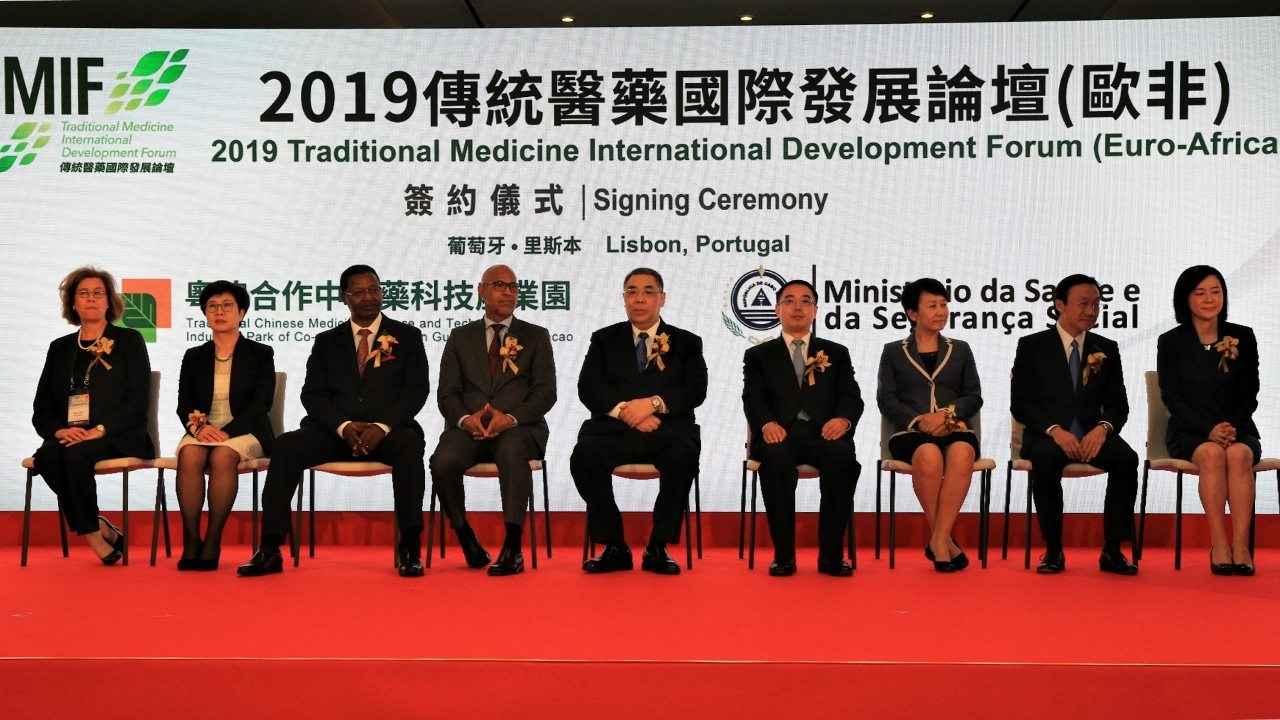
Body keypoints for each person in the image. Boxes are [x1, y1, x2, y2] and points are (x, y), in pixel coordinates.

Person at [238, 265, 430, 577]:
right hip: (335, 433)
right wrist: (343, 426)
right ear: (344, 298)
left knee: (410, 445)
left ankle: (409, 547)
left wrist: (380, 427)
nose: (369, 297)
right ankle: (270, 547)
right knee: (287, 446)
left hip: (387, 434)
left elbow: (416, 391)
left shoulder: (407, 336)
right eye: (360, 292)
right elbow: (312, 394)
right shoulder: (327, 341)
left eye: (374, 289)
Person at [571, 268, 707, 574]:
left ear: (662, 298)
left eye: (648, 291)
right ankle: (613, 544)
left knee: (684, 454)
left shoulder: (686, 342)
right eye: (632, 292)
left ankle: (658, 546)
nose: (640, 299)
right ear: (624, 298)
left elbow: (695, 390)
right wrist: (626, 412)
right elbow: (588, 388)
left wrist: (653, 404)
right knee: (585, 454)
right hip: (614, 432)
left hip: (667, 432)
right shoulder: (604, 339)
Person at [429, 264, 557, 576]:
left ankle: (513, 547)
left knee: (512, 450)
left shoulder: (536, 336)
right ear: (482, 291)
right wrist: (465, 420)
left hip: (519, 429)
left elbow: (545, 394)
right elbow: (447, 394)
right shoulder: (460, 337)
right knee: (442, 461)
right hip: (468, 429)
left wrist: (510, 418)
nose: (508, 292)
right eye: (500, 285)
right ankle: (465, 536)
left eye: (513, 286)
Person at [1011, 274, 1140, 575]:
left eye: (1096, 305)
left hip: (1092, 434)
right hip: (1049, 435)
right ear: (1060, 305)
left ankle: (1112, 549)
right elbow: (1021, 403)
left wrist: (1103, 428)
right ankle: (1053, 549)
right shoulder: (1032, 346)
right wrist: (1055, 431)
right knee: (1045, 459)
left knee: (1127, 459)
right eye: (1083, 304)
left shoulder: (1106, 348)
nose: (1091, 311)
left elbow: (1119, 404)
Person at [31, 267, 153, 565]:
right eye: (83, 293)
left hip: (118, 434)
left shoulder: (129, 340)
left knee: (75, 456)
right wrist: (60, 431)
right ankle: (97, 525)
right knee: (46, 457)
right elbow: (42, 406)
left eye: (98, 293)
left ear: (109, 302)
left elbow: (138, 400)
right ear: (72, 303)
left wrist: (99, 430)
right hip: (72, 434)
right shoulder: (60, 348)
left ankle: (93, 537)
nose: (91, 298)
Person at [743, 280, 862, 576]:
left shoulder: (836, 352)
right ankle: (784, 555)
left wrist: (843, 420)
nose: (798, 307)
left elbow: (851, 397)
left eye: (805, 301)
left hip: (823, 433)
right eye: (790, 301)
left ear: (816, 310)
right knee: (776, 459)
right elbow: (753, 398)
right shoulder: (759, 355)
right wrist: (766, 424)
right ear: (777, 309)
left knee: (843, 458)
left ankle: (831, 556)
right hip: (779, 433)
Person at [1157, 266, 1259, 576]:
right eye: (1200, 293)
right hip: (1189, 431)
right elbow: (1172, 396)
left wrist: (1232, 427)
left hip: (1238, 429)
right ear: (1185, 299)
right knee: (1213, 454)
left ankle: (1241, 545)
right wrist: (1207, 430)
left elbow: (1250, 391)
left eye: (1216, 291)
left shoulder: (1242, 336)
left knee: (1239, 454)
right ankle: (1219, 544)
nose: (1209, 299)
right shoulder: (1171, 342)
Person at [876, 278, 982, 572]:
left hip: (954, 428)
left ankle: (938, 540)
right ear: (913, 313)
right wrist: (919, 421)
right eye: (933, 305)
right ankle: (943, 541)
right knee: (929, 455)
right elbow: (886, 400)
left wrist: (946, 415)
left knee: (962, 453)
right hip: (910, 432)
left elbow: (973, 396)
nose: (941, 311)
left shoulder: (960, 349)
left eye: (944, 305)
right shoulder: (893, 351)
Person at [174, 281, 276, 571]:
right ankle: (191, 540)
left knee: (222, 455)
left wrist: (227, 433)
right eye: (212, 306)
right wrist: (200, 429)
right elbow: (184, 404)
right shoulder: (194, 356)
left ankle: (212, 541)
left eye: (227, 305)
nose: (219, 311)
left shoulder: (260, 353)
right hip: (203, 430)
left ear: (241, 312)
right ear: (205, 313)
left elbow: (261, 405)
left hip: (246, 432)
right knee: (189, 454)